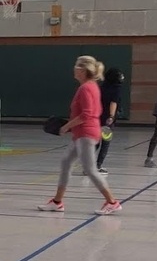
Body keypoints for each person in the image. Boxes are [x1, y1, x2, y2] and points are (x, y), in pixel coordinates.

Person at [38, 55, 122, 215]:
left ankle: (112, 202)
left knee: (90, 170)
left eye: (77, 66)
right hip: (80, 134)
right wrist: (71, 127)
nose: (74, 69)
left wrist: (65, 127)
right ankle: (57, 202)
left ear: (83, 70)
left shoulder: (86, 88)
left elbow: (87, 114)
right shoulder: (89, 86)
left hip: (86, 135)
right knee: (66, 162)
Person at [95, 67, 124, 173]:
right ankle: (98, 165)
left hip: (98, 118)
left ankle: (87, 165)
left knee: (96, 142)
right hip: (107, 120)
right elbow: (113, 102)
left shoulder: (101, 88)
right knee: (105, 143)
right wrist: (111, 116)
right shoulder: (116, 89)